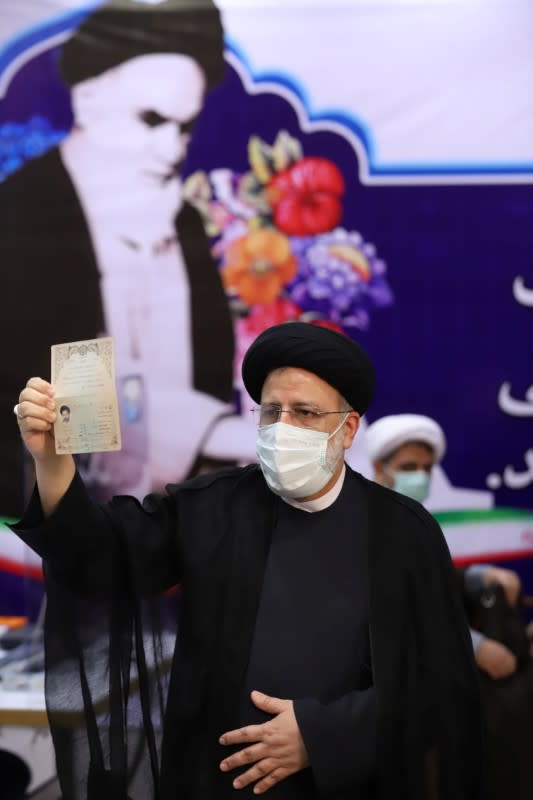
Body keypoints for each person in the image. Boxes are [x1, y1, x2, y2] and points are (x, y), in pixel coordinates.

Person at [10, 323, 484, 799]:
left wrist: (321, 736)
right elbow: (102, 559)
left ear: (348, 428)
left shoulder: (403, 531)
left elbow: (438, 682)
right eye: (272, 411)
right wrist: (53, 462)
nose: (284, 428)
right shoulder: (211, 506)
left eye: (305, 412)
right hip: (215, 782)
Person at [0, 0, 256, 516]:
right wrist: (215, 432)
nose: (171, 151)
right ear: (88, 96)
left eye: (184, 129)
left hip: (175, 520)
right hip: (49, 520)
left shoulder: (180, 218)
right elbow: (42, 385)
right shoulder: (20, 215)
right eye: (152, 120)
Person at [366, 412, 533, 800]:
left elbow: (432, 583)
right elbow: (385, 608)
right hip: (391, 705)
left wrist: (479, 577)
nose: (420, 477)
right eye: (409, 467)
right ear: (378, 467)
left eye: (427, 468)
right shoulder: (364, 523)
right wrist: (473, 646)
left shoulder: (414, 521)